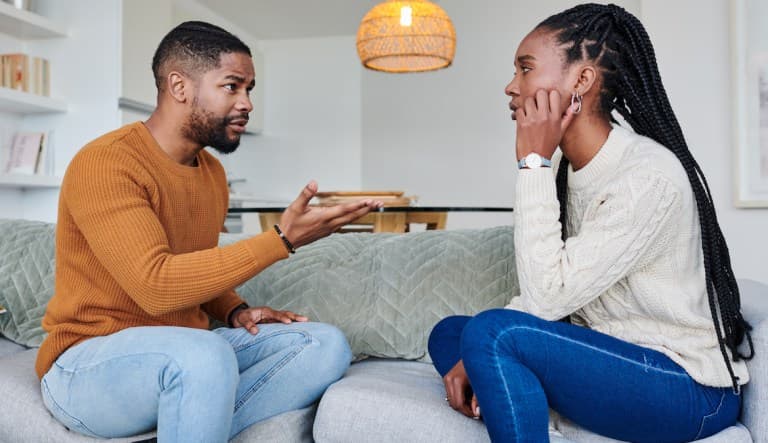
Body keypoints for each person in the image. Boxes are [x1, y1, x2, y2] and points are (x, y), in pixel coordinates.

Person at [35, 21, 382, 442]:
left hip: (185, 351)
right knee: (205, 353)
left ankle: (187, 423)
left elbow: (192, 266)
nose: (247, 103)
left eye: (249, 89)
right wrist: (280, 240)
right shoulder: (106, 163)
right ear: (179, 86)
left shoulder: (212, 172)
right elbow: (156, 287)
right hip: (87, 364)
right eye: (232, 86)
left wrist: (235, 311)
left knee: (324, 345)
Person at [428, 4, 754, 442]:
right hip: (614, 361)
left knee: (490, 335)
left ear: (581, 80)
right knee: (451, 333)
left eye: (525, 69)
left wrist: (532, 162)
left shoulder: (647, 176)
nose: (511, 86)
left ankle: (518, 399)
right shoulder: (567, 172)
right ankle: (523, 399)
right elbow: (551, 298)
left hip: (687, 388)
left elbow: (547, 298)